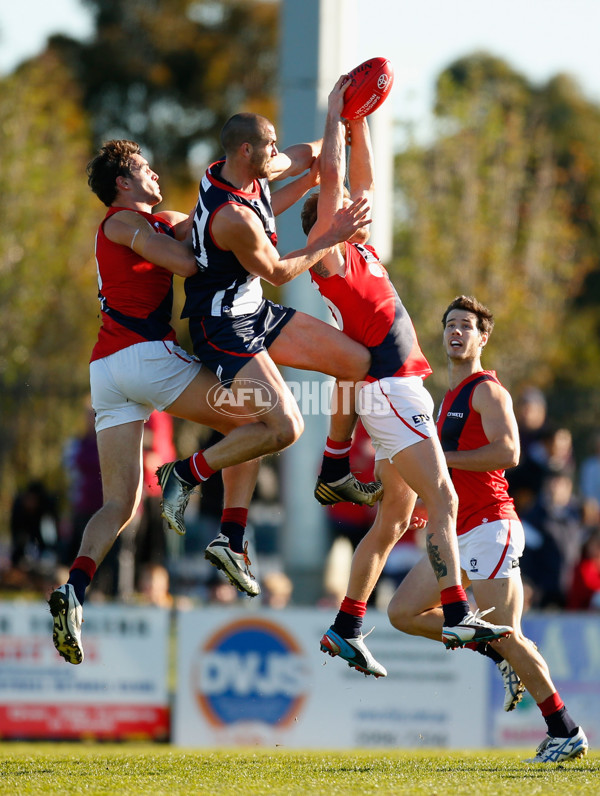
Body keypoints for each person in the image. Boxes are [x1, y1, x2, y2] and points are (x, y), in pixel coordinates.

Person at [300, 76, 512, 680]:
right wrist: (333, 116)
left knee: (395, 518)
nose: (356, 208)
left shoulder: (361, 251)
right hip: (392, 391)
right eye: (342, 208)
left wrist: (359, 121)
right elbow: (338, 182)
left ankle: (345, 626)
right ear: (327, 219)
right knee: (443, 499)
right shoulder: (330, 250)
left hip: (396, 390)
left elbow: (359, 180)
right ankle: (457, 609)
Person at [48, 139, 263, 665]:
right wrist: (191, 238)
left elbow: (209, 218)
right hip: (143, 357)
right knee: (259, 420)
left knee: (119, 504)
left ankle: (74, 590)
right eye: (145, 167)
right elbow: (187, 263)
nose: (155, 173)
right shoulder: (120, 222)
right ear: (124, 182)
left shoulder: (154, 219)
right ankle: (218, 520)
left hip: (110, 372)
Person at [157, 111, 383, 573]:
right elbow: (278, 270)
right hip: (220, 327)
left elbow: (308, 156)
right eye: (270, 146)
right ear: (246, 151)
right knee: (284, 428)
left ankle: (335, 470)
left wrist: (346, 112)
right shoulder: (231, 217)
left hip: (254, 311)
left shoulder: (250, 169)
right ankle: (185, 474)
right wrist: (332, 234)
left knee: (357, 362)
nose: (278, 153)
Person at [387, 295, 588, 764]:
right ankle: (500, 657)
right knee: (402, 612)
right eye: (450, 324)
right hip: (458, 531)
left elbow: (509, 453)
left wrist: (441, 459)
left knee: (508, 631)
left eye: (466, 325)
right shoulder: (447, 398)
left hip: (492, 526)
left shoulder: (486, 390)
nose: (456, 332)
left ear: (483, 336)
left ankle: (565, 730)